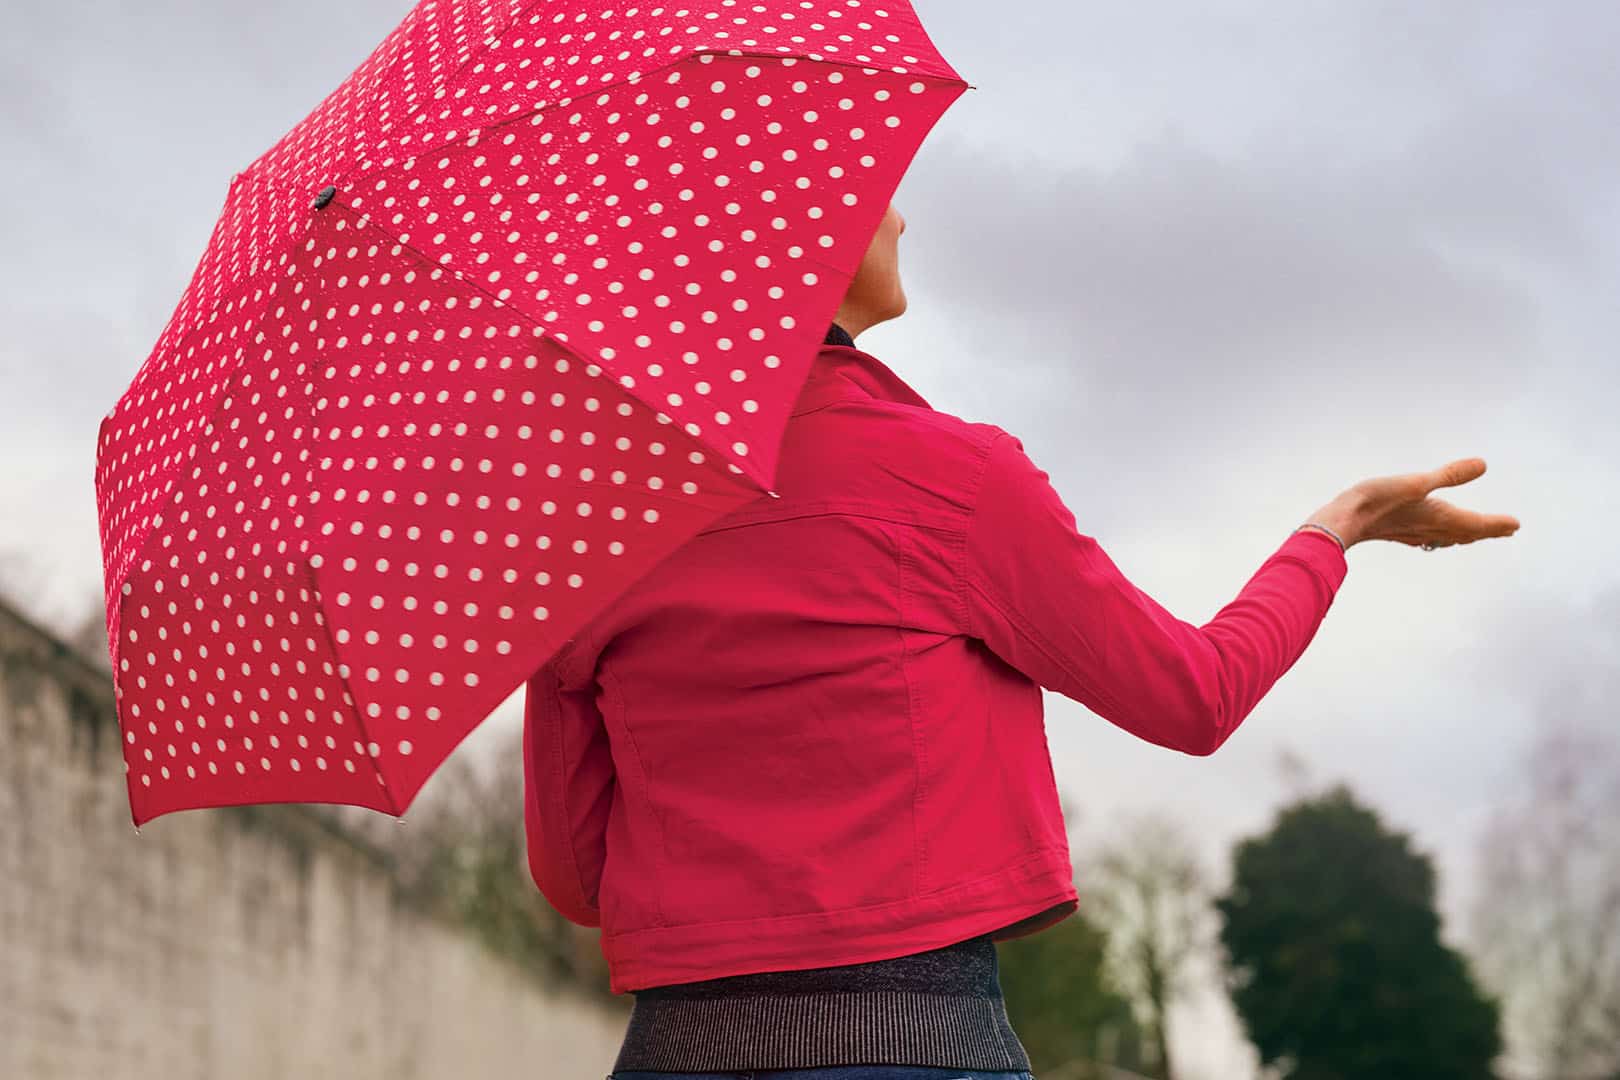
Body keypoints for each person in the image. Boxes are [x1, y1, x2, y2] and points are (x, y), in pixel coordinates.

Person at [521, 203, 1521, 1080]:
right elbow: (1194, 696)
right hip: (914, 1041)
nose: (903, 219)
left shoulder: (593, 527)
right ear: (806, 236)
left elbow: (574, 878)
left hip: (672, 1053)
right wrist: (1331, 533)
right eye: (879, 195)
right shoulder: (954, 480)